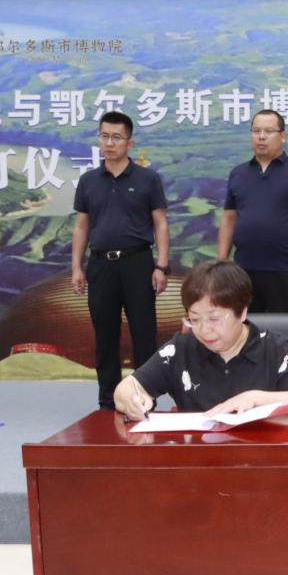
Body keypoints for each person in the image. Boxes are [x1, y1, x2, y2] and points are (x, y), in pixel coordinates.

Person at [115, 260, 288, 420]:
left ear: (242, 312)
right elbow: (126, 389)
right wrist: (133, 401)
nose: (204, 330)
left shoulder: (275, 347)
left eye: (214, 319)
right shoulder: (181, 348)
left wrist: (255, 398)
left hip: (261, 454)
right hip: (199, 453)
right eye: (194, 319)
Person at [72, 110, 170, 410]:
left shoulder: (147, 179)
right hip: (100, 265)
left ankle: (144, 397)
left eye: (116, 137)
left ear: (130, 142)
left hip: (137, 263)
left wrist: (162, 265)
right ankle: (107, 400)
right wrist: (76, 267)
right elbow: (81, 226)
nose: (109, 143)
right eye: (104, 136)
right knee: (105, 335)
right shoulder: (88, 181)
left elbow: (160, 223)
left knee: (144, 334)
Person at [217, 109, 288, 313]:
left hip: (283, 268)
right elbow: (229, 218)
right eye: (256, 131)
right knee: (244, 325)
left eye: (268, 131)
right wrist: (221, 261)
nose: (261, 136)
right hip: (243, 269)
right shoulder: (238, 173)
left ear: (283, 136)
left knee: (284, 328)